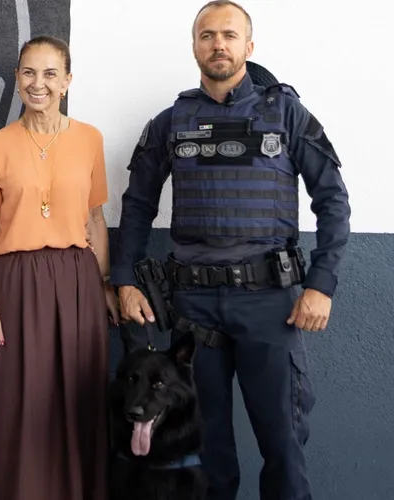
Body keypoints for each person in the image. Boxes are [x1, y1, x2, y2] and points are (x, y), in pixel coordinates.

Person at [111, 2, 351, 500]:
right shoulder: (171, 120)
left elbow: (333, 199)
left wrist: (322, 285)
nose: (218, 43)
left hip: (270, 306)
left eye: (229, 34)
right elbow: (136, 206)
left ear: (249, 46)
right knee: (206, 448)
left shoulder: (285, 112)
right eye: (207, 35)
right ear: (194, 45)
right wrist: (125, 279)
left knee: (283, 444)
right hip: (194, 310)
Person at [0, 35, 118, 500]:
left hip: (77, 282)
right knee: (18, 404)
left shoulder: (90, 139)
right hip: (14, 284)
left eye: (51, 74)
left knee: (76, 401)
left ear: (67, 81)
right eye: (29, 72)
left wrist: (106, 284)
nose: (39, 84)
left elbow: (95, 220)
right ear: (17, 78)